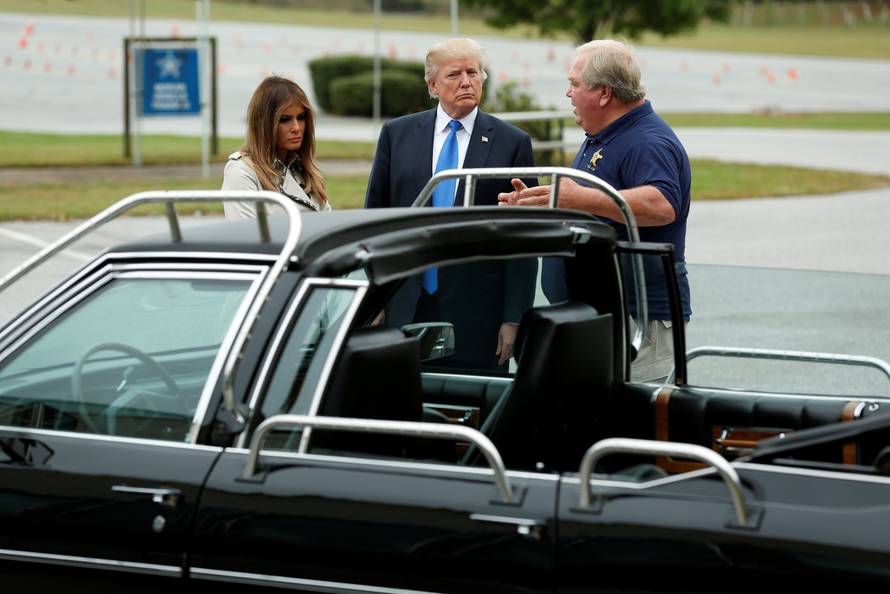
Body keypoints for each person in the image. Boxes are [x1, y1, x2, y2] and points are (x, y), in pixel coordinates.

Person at [499, 39, 692, 382]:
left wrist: (580, 199)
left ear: (604, 93)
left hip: (636, 319)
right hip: (599, 311)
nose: (567, 93)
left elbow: (662, 205)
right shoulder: (604, 134)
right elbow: (595, 211)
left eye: (574, 84)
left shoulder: (647, 140)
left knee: (627, 423)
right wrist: (541, 204)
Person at [365, 37, 536, 372]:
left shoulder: (511, 143)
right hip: (404, 308)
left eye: (474, 72)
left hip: (478, 318)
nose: (467, 82)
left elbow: (525, 240)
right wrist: (374, 302)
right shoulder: (397, 135)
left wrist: (514, 318)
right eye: (454, 74)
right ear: (432, 85)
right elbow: (376, 223)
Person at [222, 76, 331, 217]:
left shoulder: (305, 171)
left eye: (301, 117)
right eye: (285, 119)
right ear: (264, 124)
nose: (296, 127)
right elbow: (245, 235)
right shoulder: (242, 171)